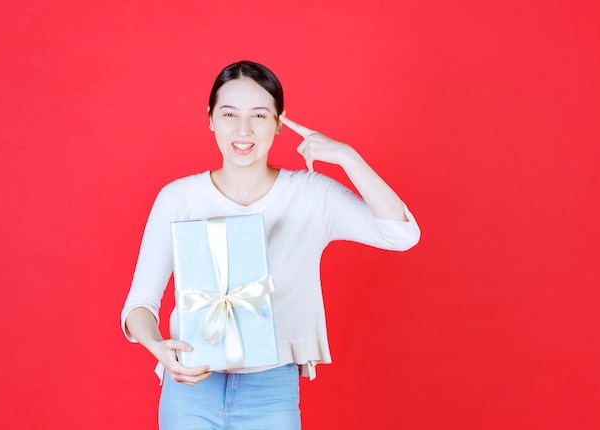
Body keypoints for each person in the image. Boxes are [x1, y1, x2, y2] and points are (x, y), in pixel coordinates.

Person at [121, 60, 420, 430]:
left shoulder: (310, 194)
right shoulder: (178, 198)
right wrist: (157, 348)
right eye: (229, 113)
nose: (242, 129)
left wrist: (347, 156)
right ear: (210, 118)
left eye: (259, 116)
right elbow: (139, 304)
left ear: (279, 123)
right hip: (190, 384)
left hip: (271, 388)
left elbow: (402, 234)